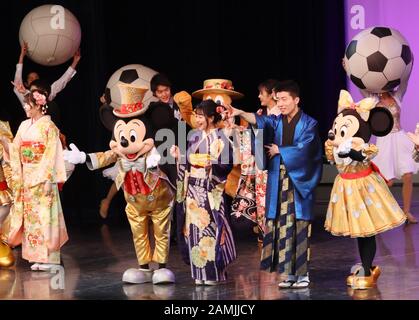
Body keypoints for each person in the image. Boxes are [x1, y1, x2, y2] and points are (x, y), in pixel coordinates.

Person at [229, 80, 322, 288]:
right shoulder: (277, 121)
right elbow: (261, 122)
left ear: (296, 100)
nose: (280, 103)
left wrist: (282, 151)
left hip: (297, 181)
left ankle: (302, 274)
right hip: (278, 180)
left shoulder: (309, 123)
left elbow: (307, 149)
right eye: (278, 99)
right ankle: (288, 273)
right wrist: (241, 113)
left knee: (298, 226)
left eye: (284, 99)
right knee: (282, 226)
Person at [324, 90, 406, 289]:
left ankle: (368, 269)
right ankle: (367, 266)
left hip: (363, 188)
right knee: (359, 232)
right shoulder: (333, 144)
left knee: (367, 231)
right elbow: (332, 158)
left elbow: (364, 157)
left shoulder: (361, 145)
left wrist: (349, 149)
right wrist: (337, 147)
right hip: (345, 186)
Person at [0, 89, 68, 271]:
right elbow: (15, 150)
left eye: (27, 104)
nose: (24, 107)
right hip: (28, 177)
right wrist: (3, 141)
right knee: (32, 218)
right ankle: (37, 257)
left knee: (47, 217)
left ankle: (51, 258)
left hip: (43, 176)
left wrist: (47, 178)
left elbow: (51, 154)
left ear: (38, 105)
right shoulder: (23, 125)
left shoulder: (49, 126)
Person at [343, 59, 418, 224]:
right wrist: (349, 69)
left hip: (400, 138)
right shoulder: (373, 99)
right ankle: (375, 210)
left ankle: (406, 212)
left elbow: (405, 81)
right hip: (384, 142)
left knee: (407, 175)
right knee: (387, 181)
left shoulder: (397, 96)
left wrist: (409, 63)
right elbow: (360, 84)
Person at [171, 99, 236, 285]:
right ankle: (199, 273)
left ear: (211, 117)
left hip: (209, 190)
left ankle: (213, 273)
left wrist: (212, 164)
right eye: (196, 116)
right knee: (192, 231)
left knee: (209, 229)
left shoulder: (221, 138)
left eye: (201, 116)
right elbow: (188, 160)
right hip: (192, 189)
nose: (197, 120)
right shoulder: (194, 136)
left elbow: (226, 165)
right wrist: (179, 156)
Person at [231, 79, 280, 243]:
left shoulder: (280, 114)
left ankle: (276, 234)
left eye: (262, 93)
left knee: (274, 199)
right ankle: (263, 233)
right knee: (261, 200)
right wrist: (239, 132)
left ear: (272, 93)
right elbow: (252, 137)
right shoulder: (260, 113)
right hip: (260, 163)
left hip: (275, 162)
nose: (259, 96)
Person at [13, 42, 81, 106]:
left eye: (36, 78)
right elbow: (17, 82)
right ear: (26, 84)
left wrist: (75, 61)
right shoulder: (23, 92)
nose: (34, 80)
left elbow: (62, 81)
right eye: (30, 78)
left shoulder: (47, 93)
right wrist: (22, 55)